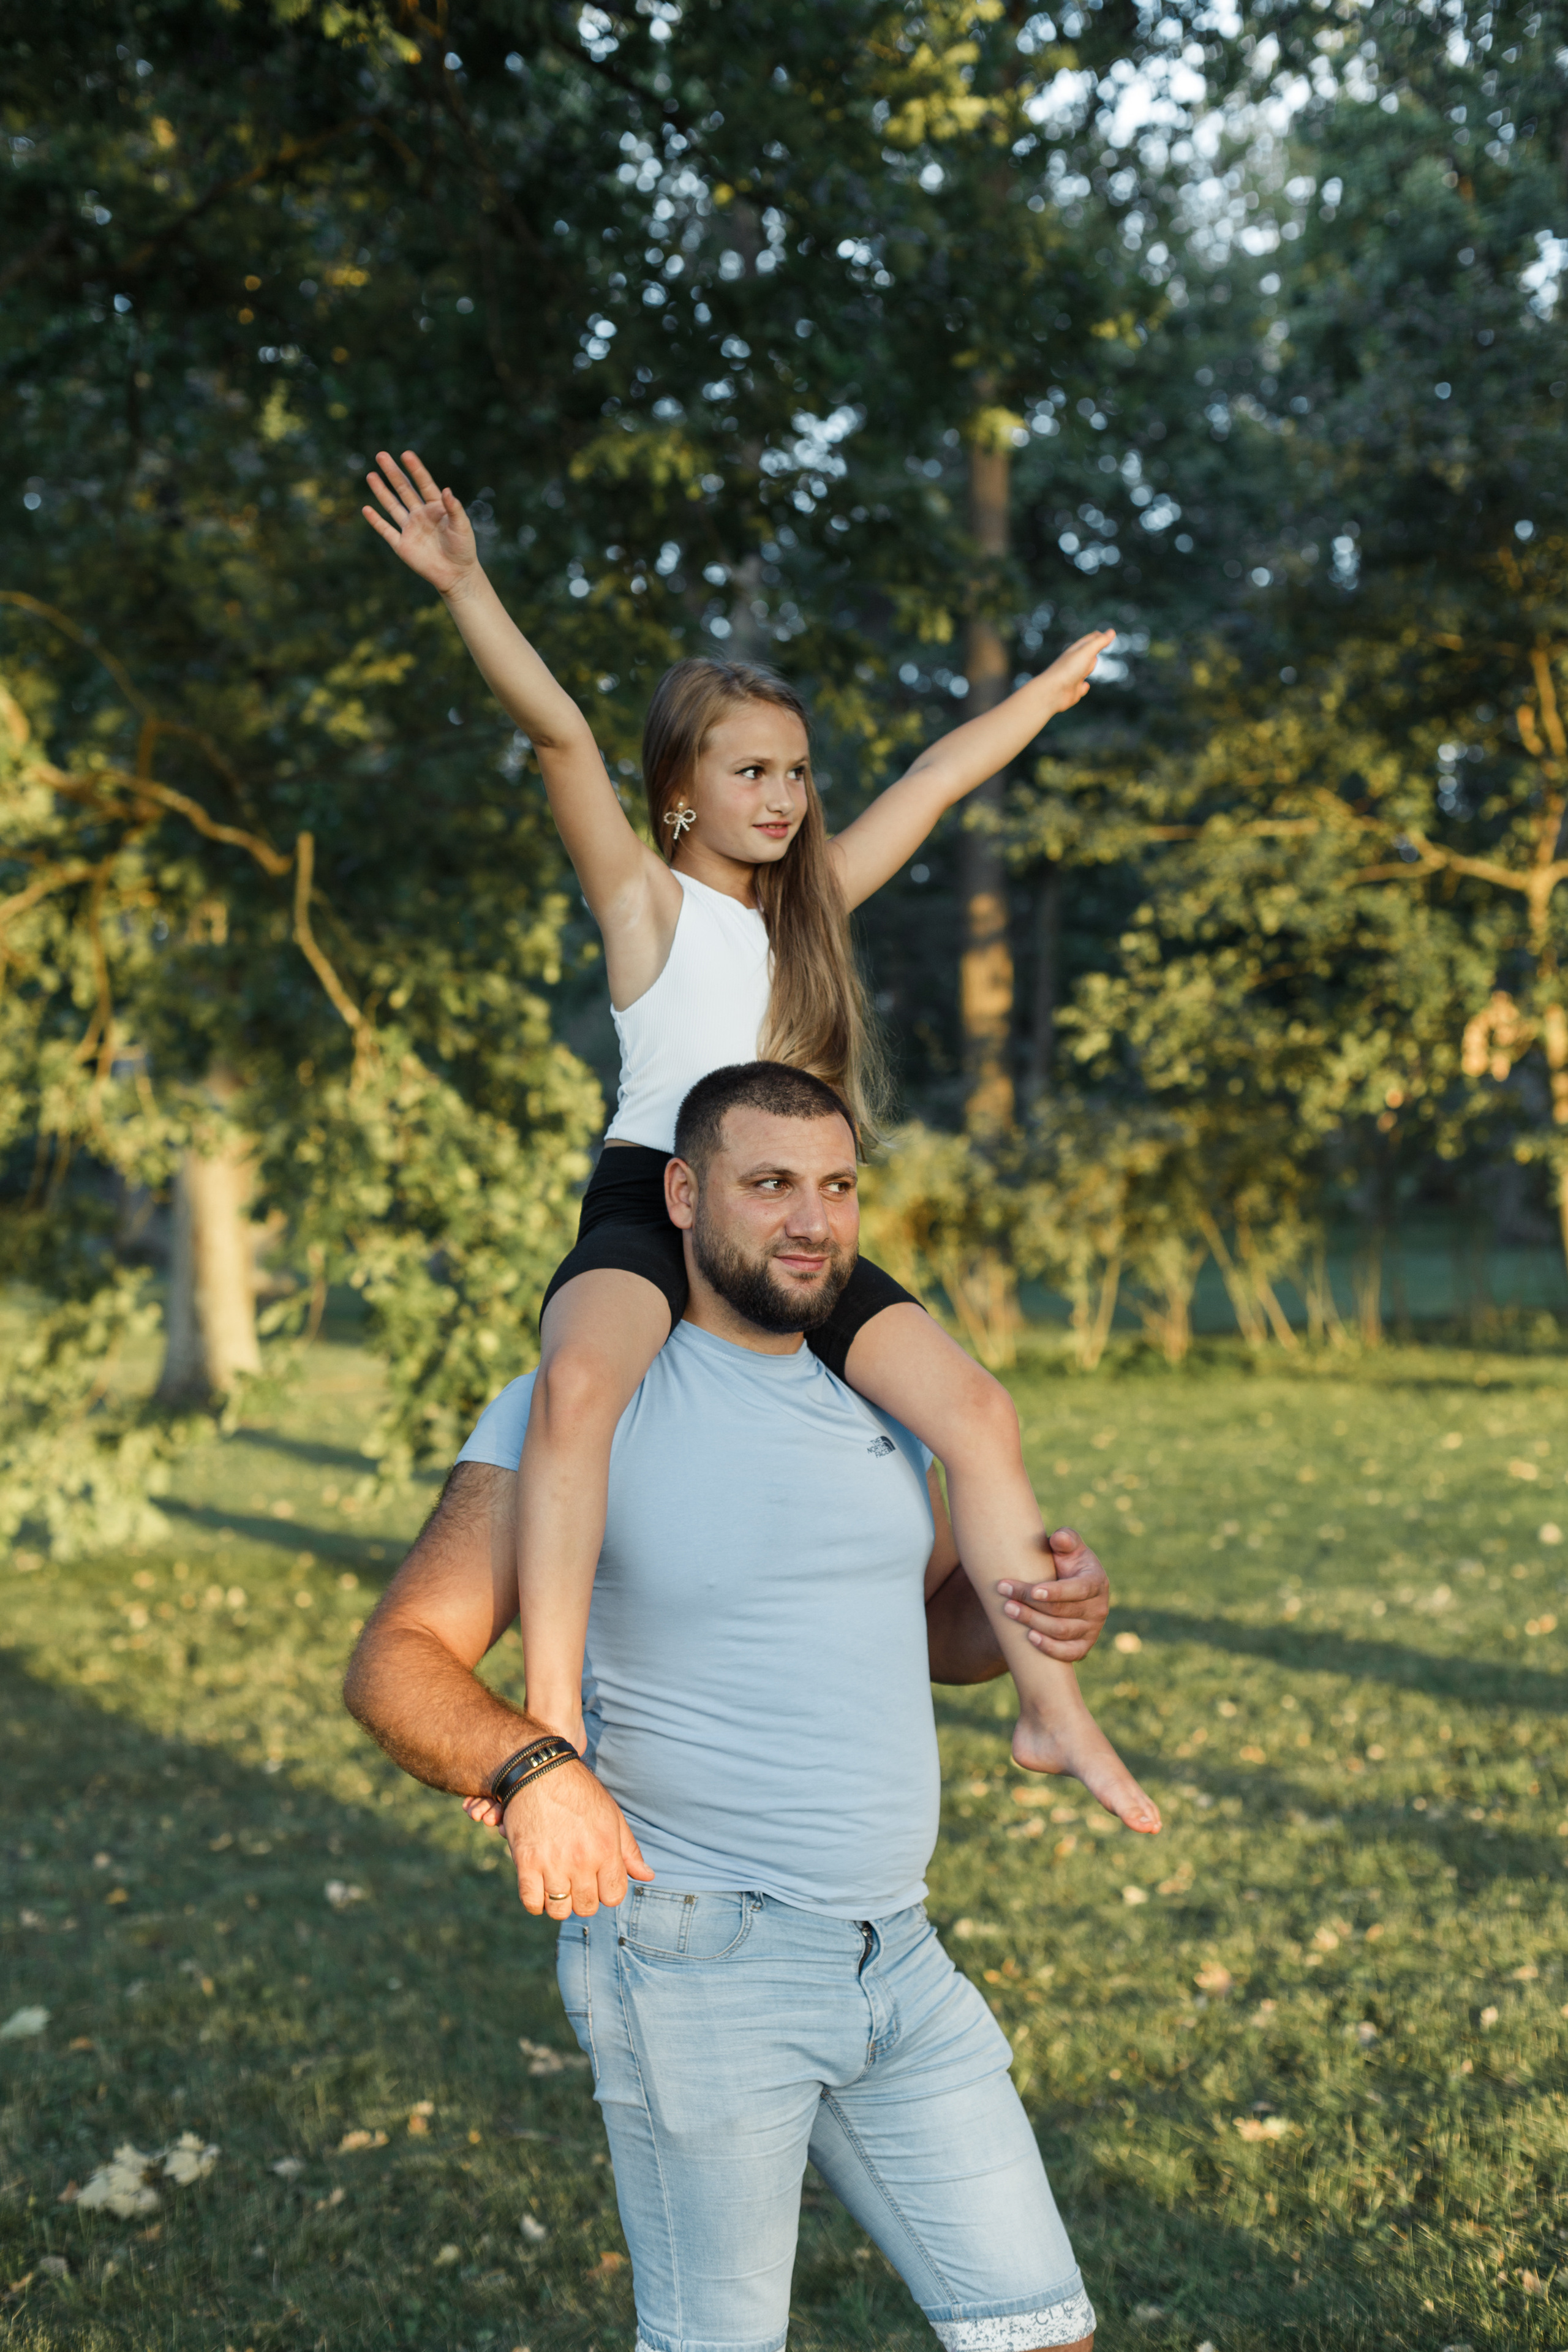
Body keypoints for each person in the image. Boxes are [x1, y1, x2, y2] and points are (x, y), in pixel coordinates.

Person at [361, 447, 1158, 1837]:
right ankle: (552, 1713)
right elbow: (559, 736)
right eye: (749, 772)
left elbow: (936, 778)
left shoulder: (814, 910)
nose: (783, 796)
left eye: (794, 771)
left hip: (787, 1220)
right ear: (683, 789)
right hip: (651, 1198)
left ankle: (1050, 1708)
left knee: (979, 1415)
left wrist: (1040, 695)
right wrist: (466, 586)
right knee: (575, 1392)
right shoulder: (648, 905)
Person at [344, 1061, 1128, 2352]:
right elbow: (397, 1658)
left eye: (838, 1187)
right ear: (681, 1194)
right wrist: (531, 1765)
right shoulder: (575, 1408)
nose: (813, 1221)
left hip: (894, 1951)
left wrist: (1036, 1616)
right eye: (769, 1185)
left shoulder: (881, 1403)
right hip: (697, 1960)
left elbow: (935, 1626)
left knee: (1042, 2333)